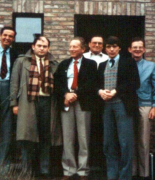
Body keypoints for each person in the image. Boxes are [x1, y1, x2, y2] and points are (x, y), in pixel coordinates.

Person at [10, 36, 61, 179]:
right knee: (27, 137)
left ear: (48, 48)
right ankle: (27, 170)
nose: (42, 48)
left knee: (45, 136)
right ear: (33, 46)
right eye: (39, 45)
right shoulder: (21, 61)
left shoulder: (53, 63)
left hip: (47, 102)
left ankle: (44, 170)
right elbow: (14, 83)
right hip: (28, 102)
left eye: (45, 46)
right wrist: (14, 103)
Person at [97, 36, 140, 180]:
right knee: (108, 142)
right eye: (108, 47)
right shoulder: (102, 65)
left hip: (122, 104)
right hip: (106, 106)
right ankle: (112, 175)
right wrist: (100, 91)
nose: (111, 49)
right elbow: (96, 84)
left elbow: (135, 83)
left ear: (119, 48)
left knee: (125, 142)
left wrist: (116, 91)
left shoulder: (128, 62)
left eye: (114, 46)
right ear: (105, 48)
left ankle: (125, 176)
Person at [54, 37, 97, 180]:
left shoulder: (90, 64)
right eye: (70, 46)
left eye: (75, 47)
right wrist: (66, 94)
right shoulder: (64, 64)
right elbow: (57, 83)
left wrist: (75, 94)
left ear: (83, 49)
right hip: (66, 102)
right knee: (67, 137)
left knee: (83, 138)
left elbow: (91, 83)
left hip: (83, 104)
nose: (71, 49)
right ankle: (68, 170)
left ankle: (83, 171)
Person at [128, 37, 155, 180]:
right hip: (127, 106)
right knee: (129, 139)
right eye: (135, 47)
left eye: (140, 47)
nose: (137, 49)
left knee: (143, 140)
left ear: (144, 49)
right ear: (130, 49)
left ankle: (144, 173)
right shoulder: (125, 65)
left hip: (145, 104)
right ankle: (132, 172)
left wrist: (154, 106)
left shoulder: (151, 66)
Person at [84, 35, 108, 168]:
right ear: (89, 44)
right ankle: (88, 165)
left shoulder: (106, 58)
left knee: (101, 131)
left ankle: (100, 165)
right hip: (87, 100)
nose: (97, 45)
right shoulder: (84, 57)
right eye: (94, 43)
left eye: (100, 43)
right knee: (87, 132)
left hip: (103, 99)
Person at [0, 26, 18, 169]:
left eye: (11, 36)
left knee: (7, 126)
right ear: (0, 36)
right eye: (5, 35)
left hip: (7, 88)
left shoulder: (15, 54)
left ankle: (3, 163)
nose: (7, 38)